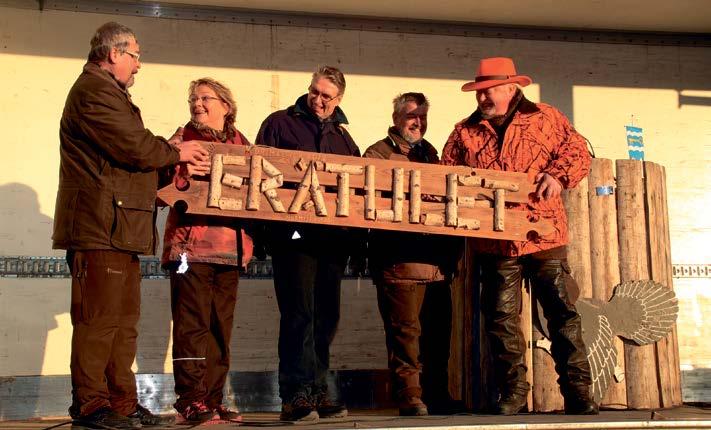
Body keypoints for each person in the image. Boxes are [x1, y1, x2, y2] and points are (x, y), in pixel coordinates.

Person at [51, 22, 210, 429]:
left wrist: (167, 157)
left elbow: (129, 158)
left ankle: (120, 403)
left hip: (118, 227)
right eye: (135, 55)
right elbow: (134, 146)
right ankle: (91, 406)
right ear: (114, 53)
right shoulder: (94, 90)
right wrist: (174, 150)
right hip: (98, 226)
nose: (139, 64)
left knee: (122, 326)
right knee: (98, 322)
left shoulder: (111, 93)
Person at [440, 57, 597, 415]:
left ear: (511, 88)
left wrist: (558, 176)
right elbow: (445, 175)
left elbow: (577, 153)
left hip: (544, 235)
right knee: (500, 319)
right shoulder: (464, 131)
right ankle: (512, 394)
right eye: (479, 92)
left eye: (489, 91)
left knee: (562, 314)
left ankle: (579, 393)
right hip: (494, 241)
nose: (482, 98)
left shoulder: (546, 116)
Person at [256, 66, 360, 423]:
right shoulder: (279, 124)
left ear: (339, 100)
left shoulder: (346, 140)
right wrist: (266, 235)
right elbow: (258, 174)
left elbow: (356, 194)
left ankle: (317, 389)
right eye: (314, 91)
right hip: (293, 237)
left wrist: (353, 243)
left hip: (332, 241)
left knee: (326, 316)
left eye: (326, 96)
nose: (318, 99)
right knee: (299, 313)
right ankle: (295, 396)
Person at [161, 78, 254, 424]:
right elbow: (160, 185)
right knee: (191, 326)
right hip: (191, 249)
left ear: (226, 106)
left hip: (231, 250)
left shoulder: (242, 143)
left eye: (205, 98)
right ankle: (190, 399)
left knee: (219, 327)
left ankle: (213, 398)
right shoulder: (180, 139)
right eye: (193, 98)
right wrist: (178, 166)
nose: (197, 104)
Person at [363, 93, 462, 416]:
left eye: (422, 116)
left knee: (437, 335)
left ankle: (437, 394)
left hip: (435, 265)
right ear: (395, 119)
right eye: (410, 116)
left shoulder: (433, 155)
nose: (417, 122)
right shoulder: (378, 154)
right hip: (398, 262)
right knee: (405, 337)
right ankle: (409, 396)